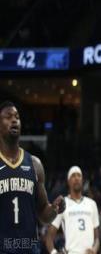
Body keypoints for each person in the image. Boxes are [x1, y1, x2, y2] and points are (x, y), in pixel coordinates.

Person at [0, 100, 65, 254]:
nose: (14, 120)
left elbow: (43, 214)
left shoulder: (35, 164)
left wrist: (54, 209)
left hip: (29, 249)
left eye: (17, 117)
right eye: (8, 117)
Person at [45, 166, 100, 254]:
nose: (76, 178)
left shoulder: (92, 204)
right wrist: (54, 252)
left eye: (79, 175)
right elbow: (49, 237)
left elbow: (97, 238)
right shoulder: (63, 204)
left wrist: (94, 249)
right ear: (68, 181)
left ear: (82, 180)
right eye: (73, 175)